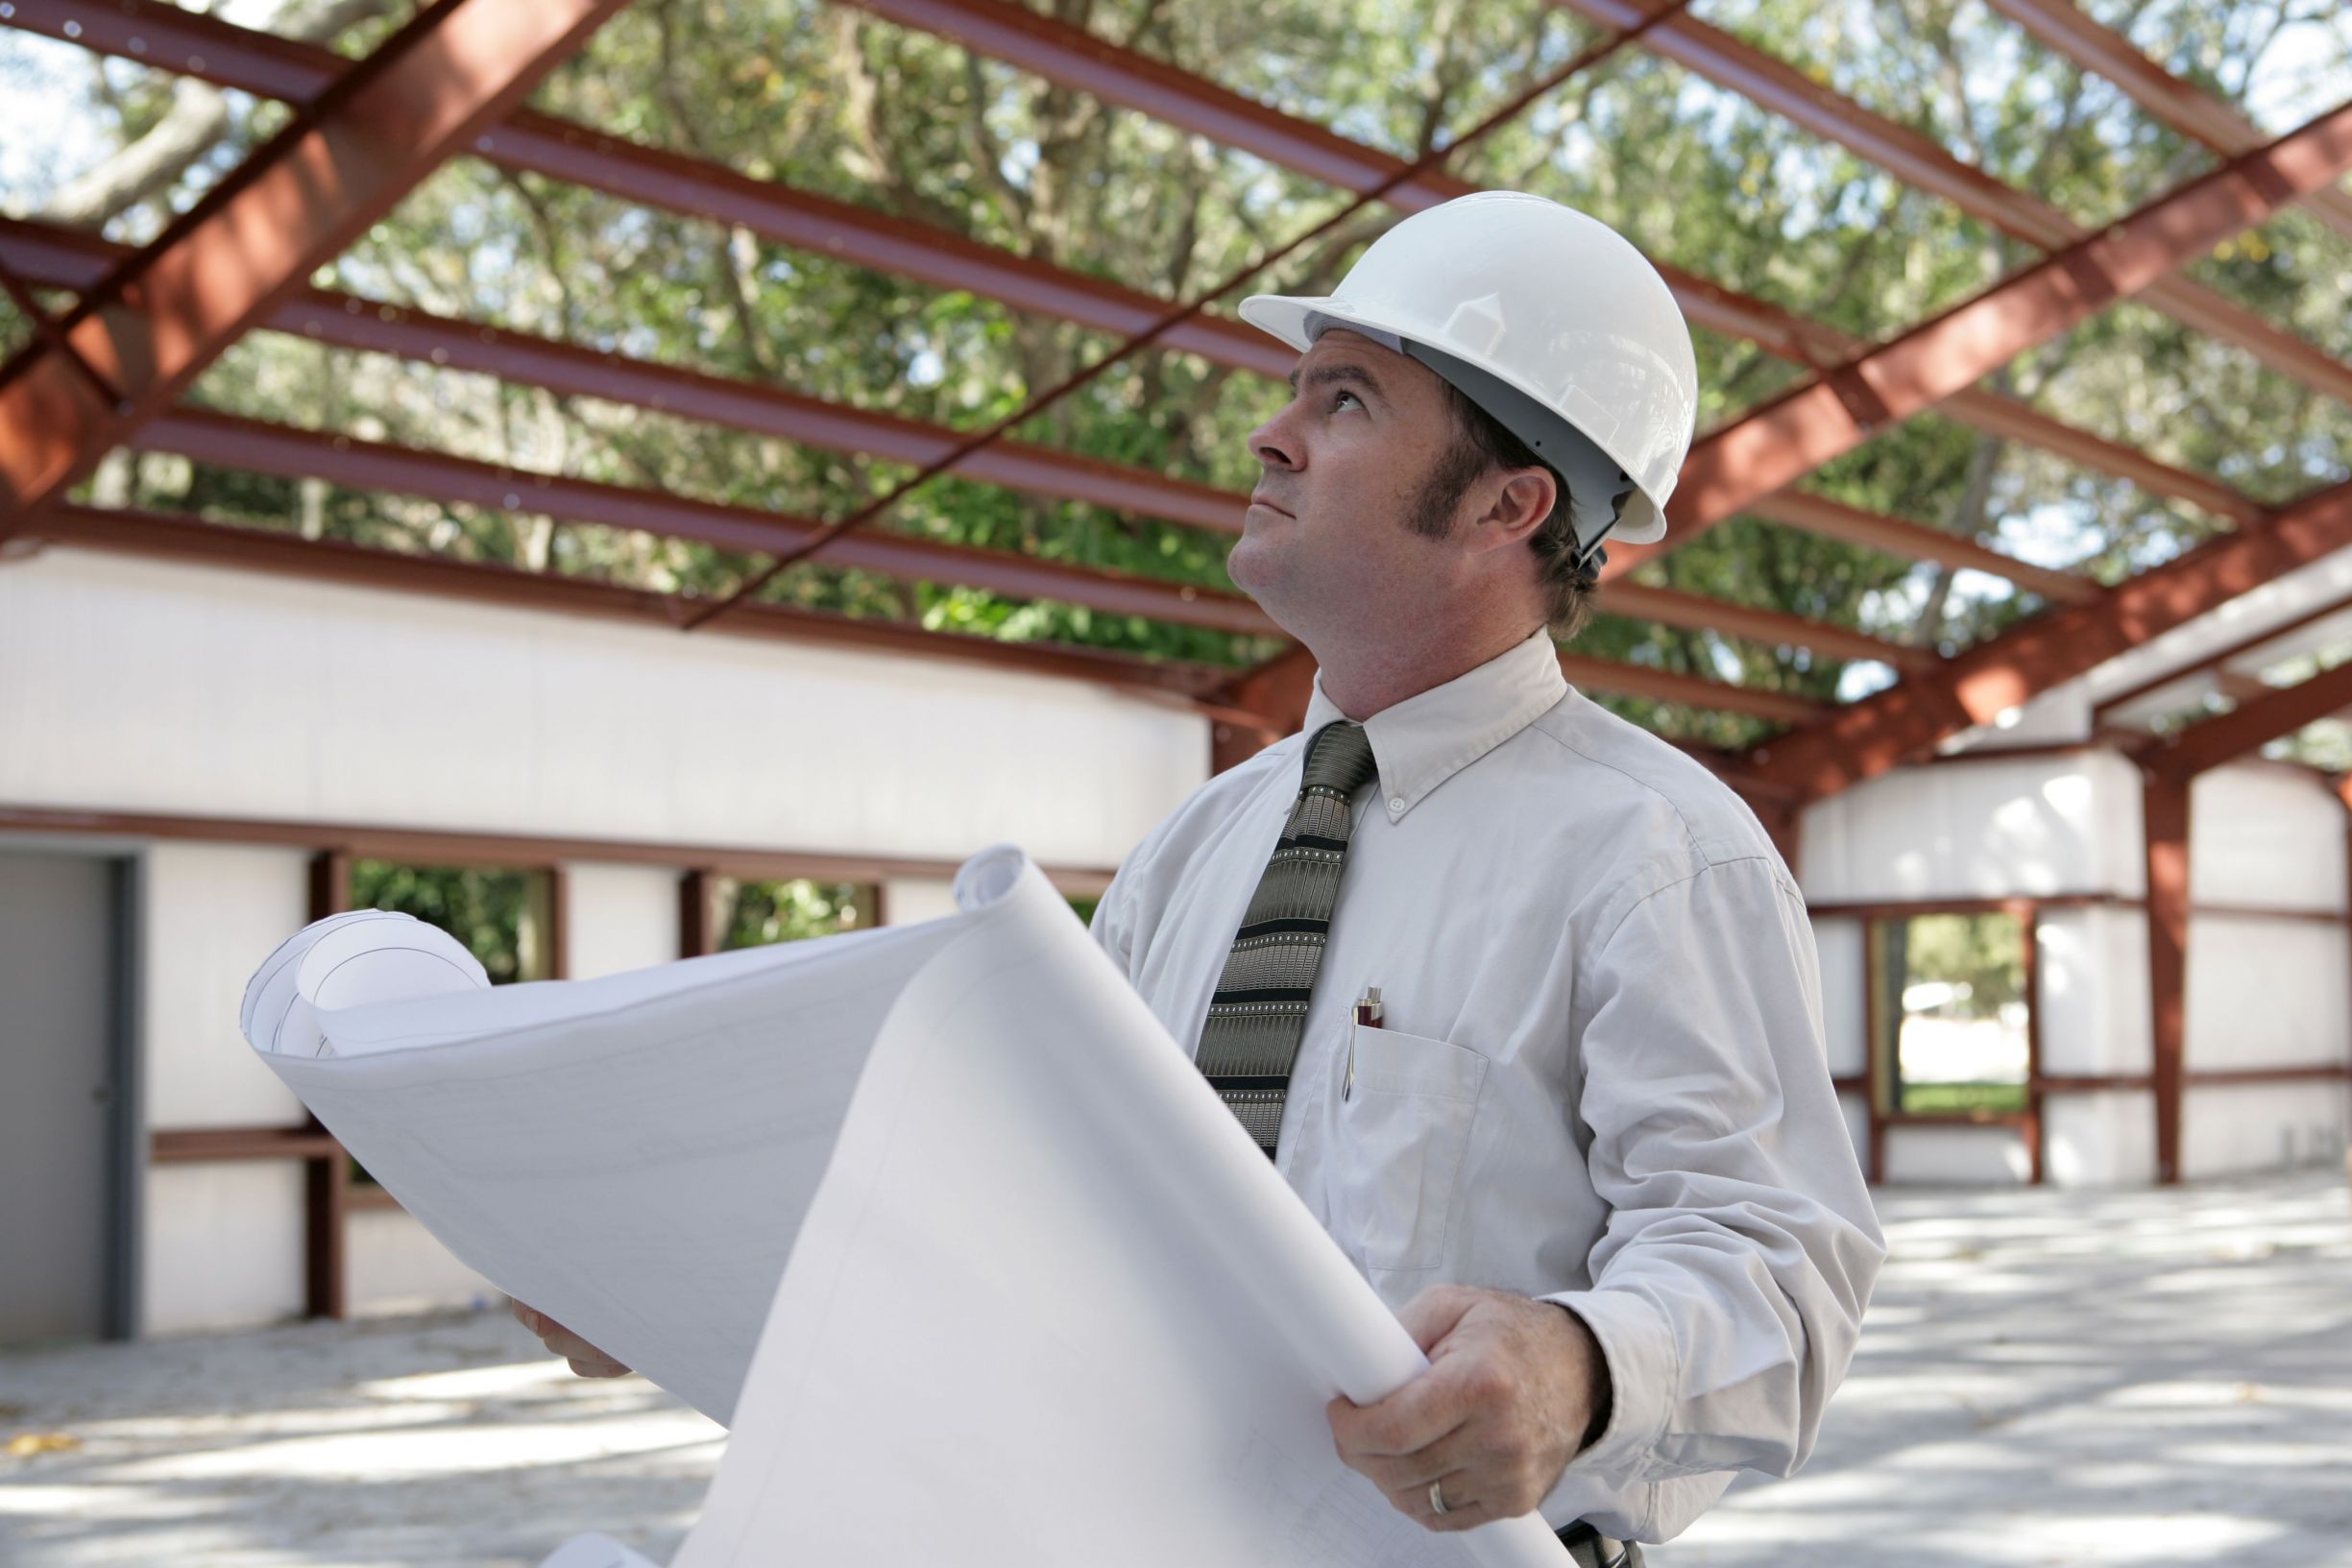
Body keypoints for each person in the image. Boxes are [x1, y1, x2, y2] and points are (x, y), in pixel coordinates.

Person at [519, 191, 1882, 1565]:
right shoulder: (1197, 850)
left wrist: (1578, 1367)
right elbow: (1038, 1207)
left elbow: (1779, 1264)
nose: (1269, 433)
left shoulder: (1655, 853)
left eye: (1343, 400)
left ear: (1503, 502)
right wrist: (684, 1272)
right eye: (1296, 390)